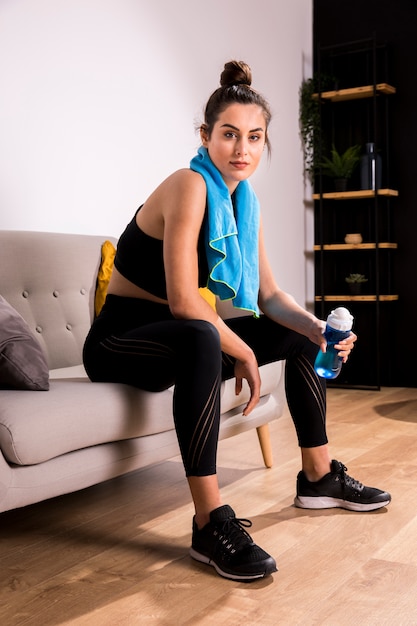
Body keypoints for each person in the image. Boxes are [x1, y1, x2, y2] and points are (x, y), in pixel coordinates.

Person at [83, 60, 391, 583]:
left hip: (181, 335)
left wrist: (317, 329)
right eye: (228, 135)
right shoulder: (188, 185)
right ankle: (209, 524)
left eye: (254, 137)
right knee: (205, 333)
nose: (241, 149)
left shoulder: (243, 203)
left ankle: (318, 476)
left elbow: (269, 297)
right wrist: (241, 349)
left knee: (289, 332)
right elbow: (184, 301)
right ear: (205, 136)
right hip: (120, 341)